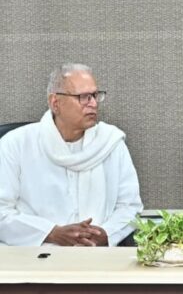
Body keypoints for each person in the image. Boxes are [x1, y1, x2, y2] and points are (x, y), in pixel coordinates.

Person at [0, 64, 143, 246]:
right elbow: (2, 212)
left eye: (95, 95)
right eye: (83, 97)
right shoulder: (16, 144)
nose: (93, 103)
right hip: (35, 254)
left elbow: (130, 206)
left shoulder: (111, 143)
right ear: (55, 103)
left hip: (97, 253)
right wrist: (51, 233)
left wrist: (106, 234)